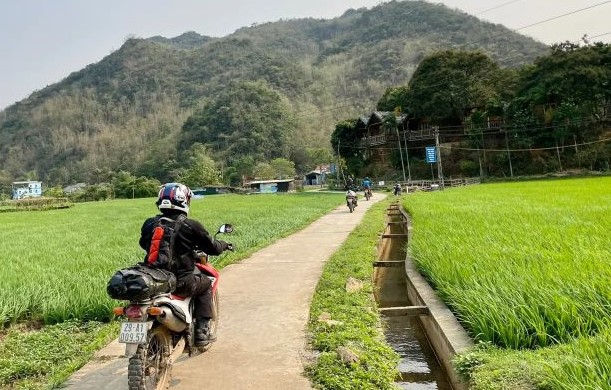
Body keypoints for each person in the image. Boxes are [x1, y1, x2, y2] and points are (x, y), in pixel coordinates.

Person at [139, 183, 232, 347]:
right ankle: (202, 332)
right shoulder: (190, 225)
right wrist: (224, 245)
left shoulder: (149, 224)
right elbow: (213, 248)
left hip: (156, 280)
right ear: (184, 200)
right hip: (181, 281)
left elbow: (143, 243)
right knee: (205, 285)